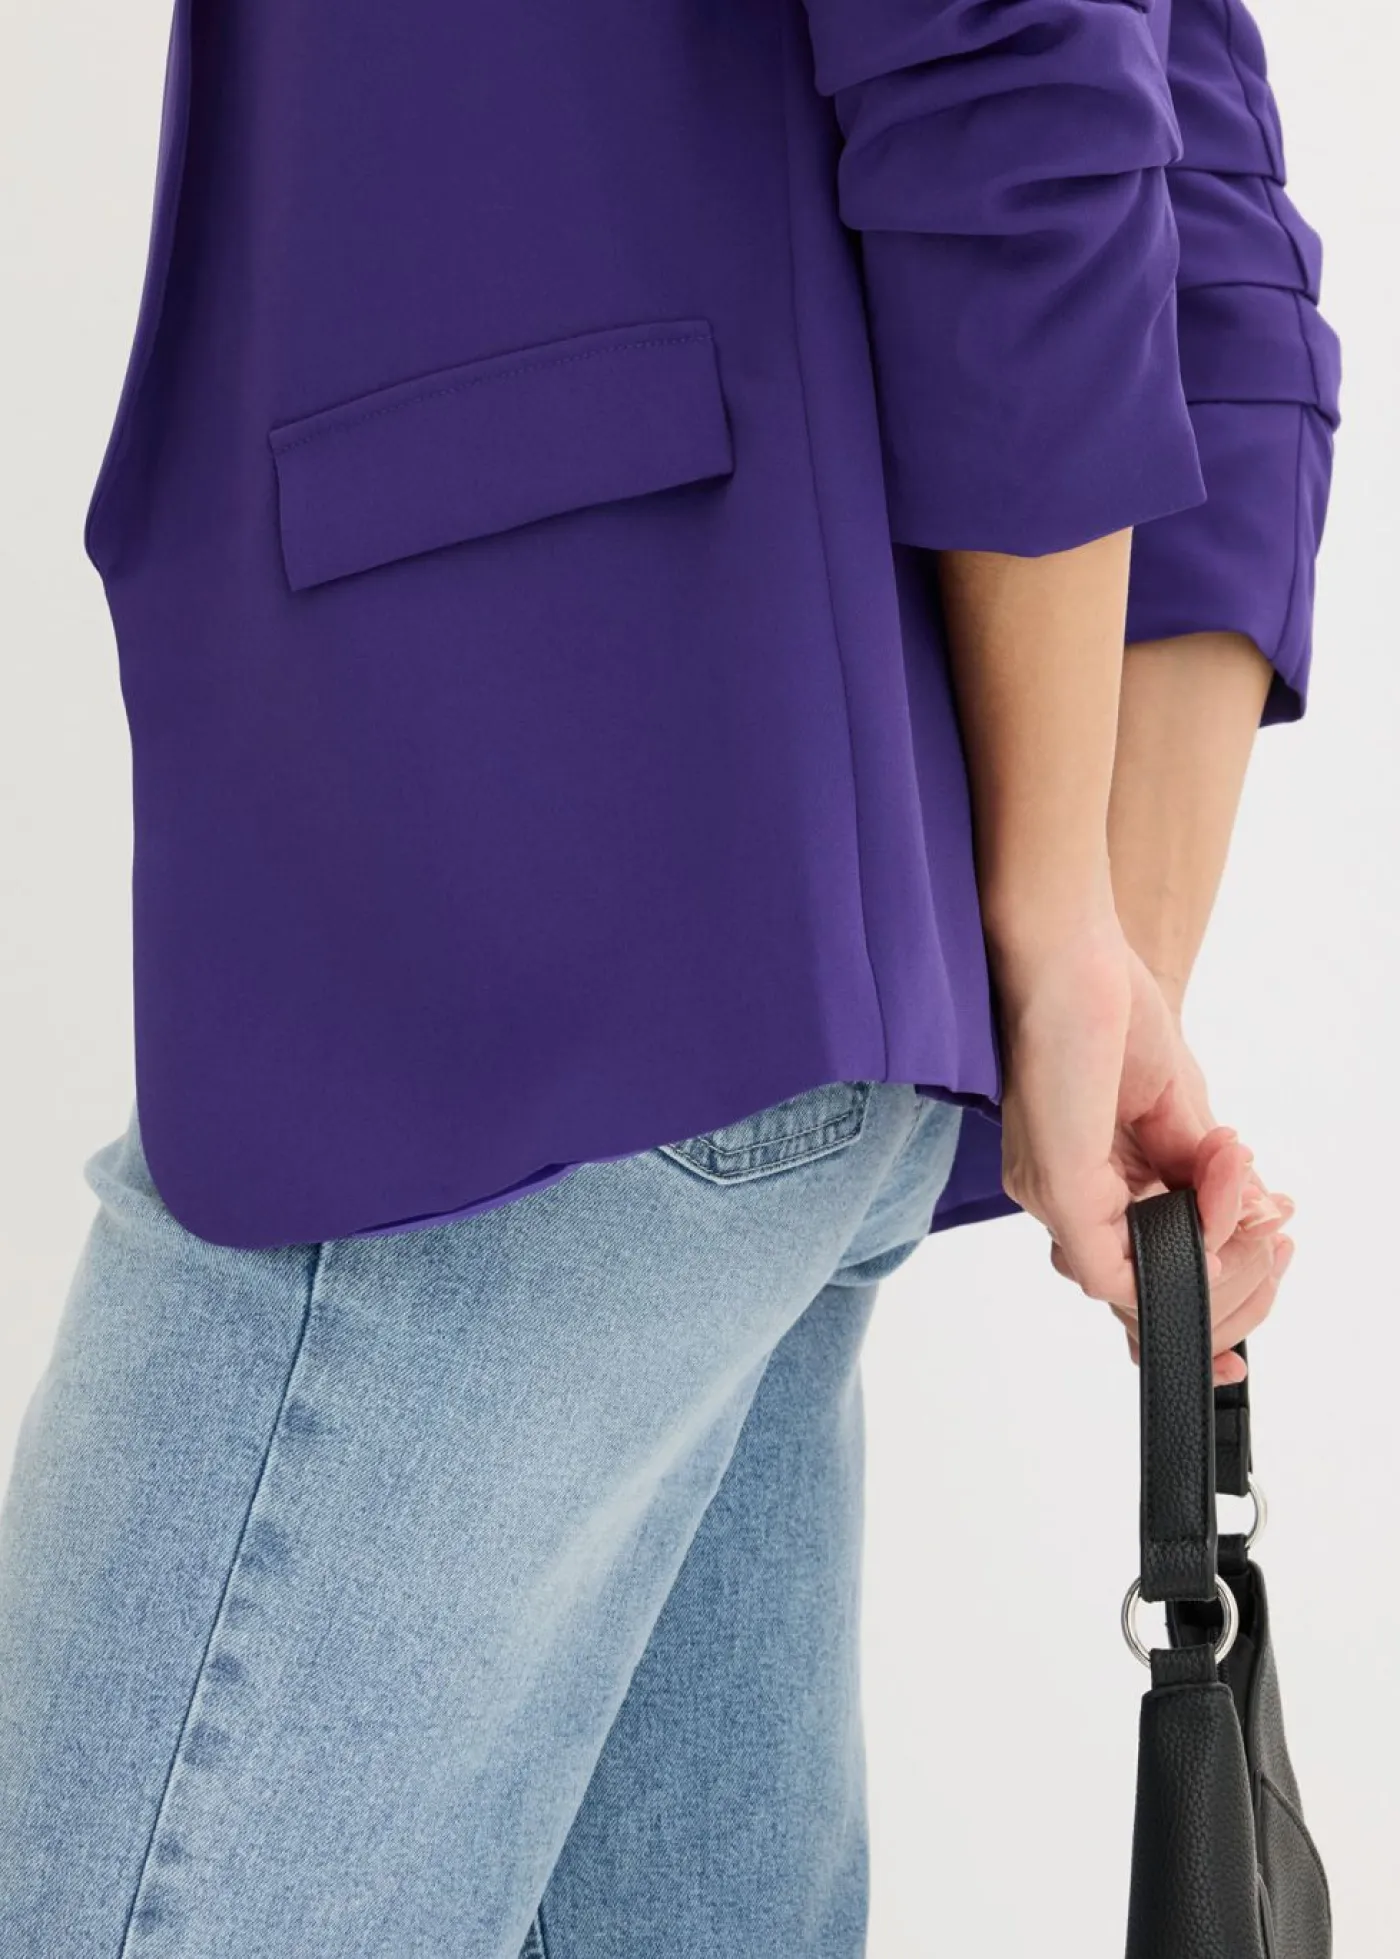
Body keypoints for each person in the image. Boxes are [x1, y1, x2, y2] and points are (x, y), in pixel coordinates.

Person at [0, 0, 1338, 1953]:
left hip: (514, 901)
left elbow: (1039, 60)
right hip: (771, 1011)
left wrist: (1068, 920)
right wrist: (1096, 916)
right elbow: (1189, 142)